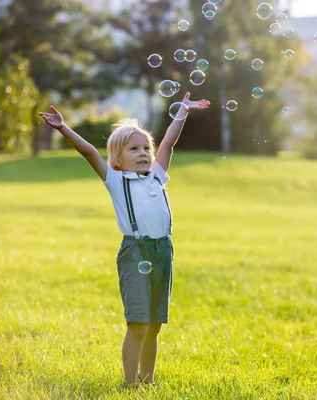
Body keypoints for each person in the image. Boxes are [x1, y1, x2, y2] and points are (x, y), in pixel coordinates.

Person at [38, 93, 211, 390]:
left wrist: (182, 110)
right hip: (136, 252)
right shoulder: (116, 180)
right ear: (117, 159)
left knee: (155, 324)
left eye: (146, 148)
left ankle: (148, 380)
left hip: (163, 252)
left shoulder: (157, 176)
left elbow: (168, 143)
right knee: (138, 323)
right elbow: (90, 152)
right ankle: (129, 384)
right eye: (134, 149)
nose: (144, 153)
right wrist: (63, 128)